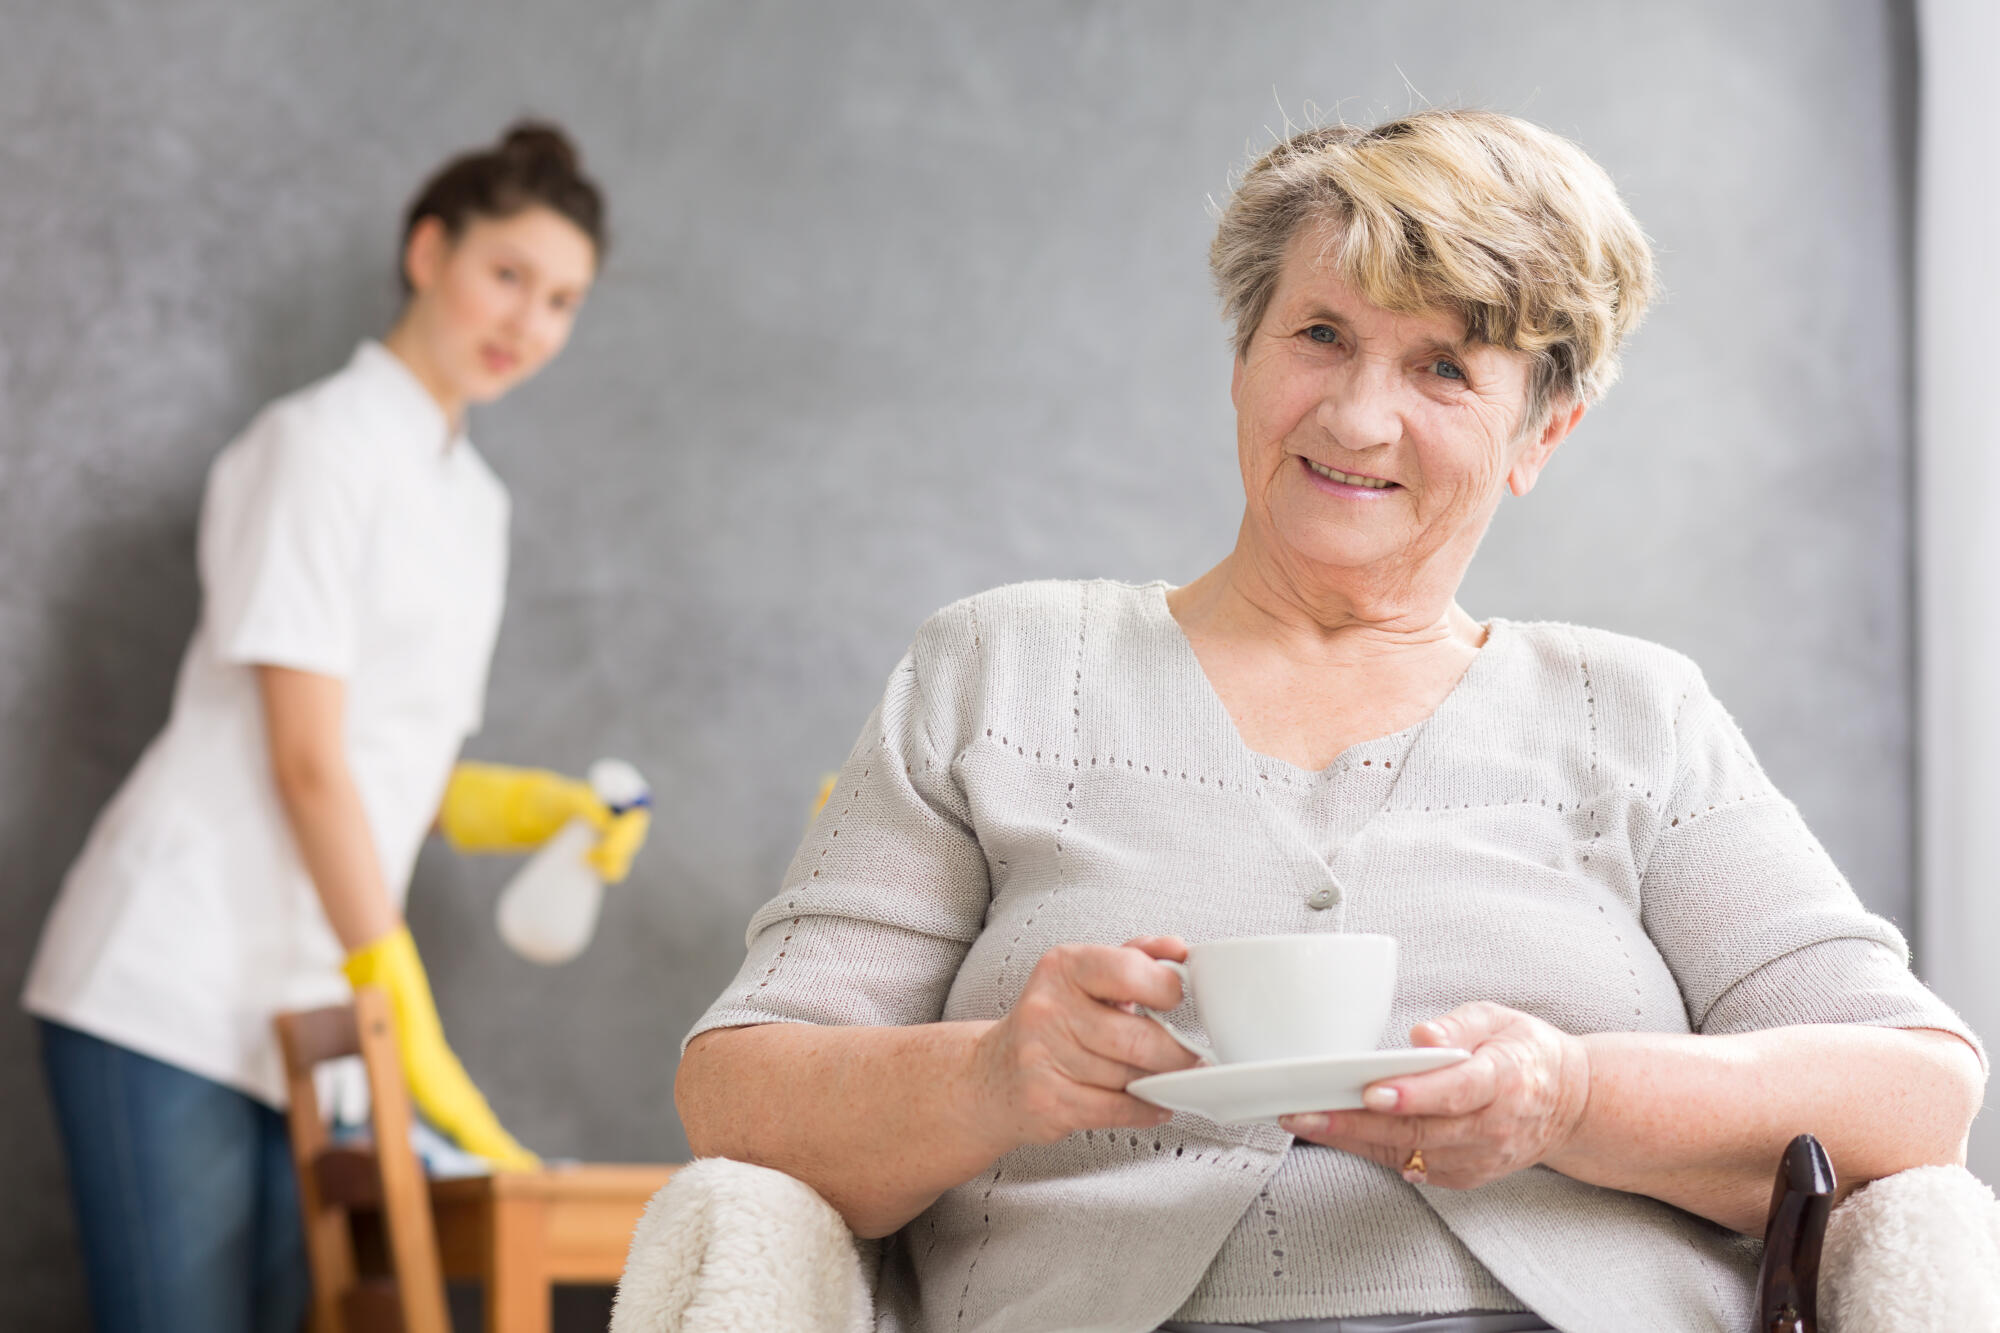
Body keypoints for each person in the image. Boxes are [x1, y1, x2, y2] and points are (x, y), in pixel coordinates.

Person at [673, 110, 1987, 1333]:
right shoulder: (1003, 668)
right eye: (1319, 336)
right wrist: (994, 1076)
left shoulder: (1631, 713)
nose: (1359, 417)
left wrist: (1569, 1100)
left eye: (1443, 366)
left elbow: (1913, 1088)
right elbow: (743, 1088)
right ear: (1243, 357)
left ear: (1542, 430)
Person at [23, 121, 646, 1333]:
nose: (526, 321)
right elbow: (305, 756)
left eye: (561, 299)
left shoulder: (476, 504)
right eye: (506, 274)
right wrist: (388, 980)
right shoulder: (315, 446)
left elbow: (391, 759)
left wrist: (539, 811)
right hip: (173, 978)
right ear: (428, 251)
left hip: (308, 1004)